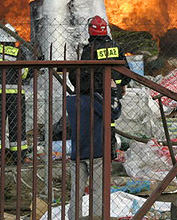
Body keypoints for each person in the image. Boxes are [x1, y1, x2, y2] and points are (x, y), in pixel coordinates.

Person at [73, 15, 130, 159]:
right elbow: (126, 70)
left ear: (91, 31)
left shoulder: (90, 50)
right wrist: (122, 85)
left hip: (97, 92)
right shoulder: (115, 46)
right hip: (113, 90)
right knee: (110, 120)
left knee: (97, 122)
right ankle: (111, 152)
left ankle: (99, 152)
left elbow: (83, 73)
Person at [66, 82, 122, 220]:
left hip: (77, 153)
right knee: (98, 190)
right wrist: (113, 93)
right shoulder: (94, 100)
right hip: (95, 152)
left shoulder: (70, 100)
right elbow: (113, 113)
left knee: (76, 191)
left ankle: (74, 216)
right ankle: (97, 216)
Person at [0, 23, 30, 164]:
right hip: (15, 95)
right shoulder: (17, 52)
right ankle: (19, 156)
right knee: (17, 126)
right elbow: (23, 74)